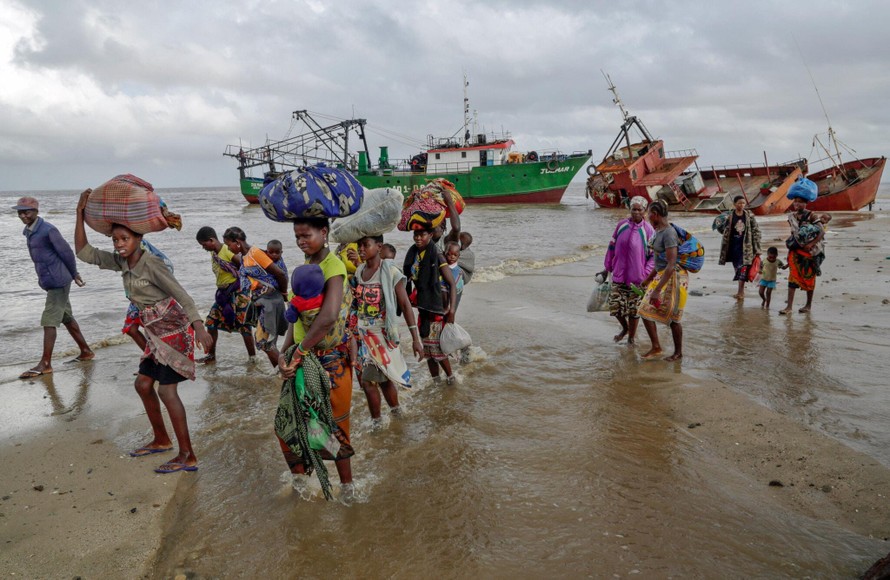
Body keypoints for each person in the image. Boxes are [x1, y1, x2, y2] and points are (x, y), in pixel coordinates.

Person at [74, 189, 212, 473]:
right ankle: (162, 440)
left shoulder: (152, 263)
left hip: (173, 330)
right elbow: (84, 253)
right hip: (153, 331)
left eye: (125, 239)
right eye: (115, 240)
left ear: (139, 239)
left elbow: (182, 295)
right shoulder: (122, 261)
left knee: (168, 392)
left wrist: (199, 327)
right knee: (143, 384)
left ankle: (188, 455)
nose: (119, 244)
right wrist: (79, 214)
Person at [278, 216, 356, 501]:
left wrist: (299, 353)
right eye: (297, 235)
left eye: (306, 235)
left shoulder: (333, 267)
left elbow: (328, 316)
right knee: (292, 423)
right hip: (301, 357)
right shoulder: (304, 266)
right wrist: (284, 354)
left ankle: (347, 487)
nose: (301, 241)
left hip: (329, 360)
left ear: (324, 232)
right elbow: (295, 315)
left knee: (333, 428)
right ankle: (301, 483)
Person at [14, 196, 93, 379]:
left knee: (49, 320)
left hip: (59, 281)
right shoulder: (29, 231)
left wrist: (75, 275)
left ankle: (45, 364)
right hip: (50, 281)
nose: (23, 215)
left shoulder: (48, 230)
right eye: (20, 212)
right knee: (66, 317)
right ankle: (86, 351)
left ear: (36, 211)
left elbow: (66, 253)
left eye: (26, 211)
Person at [349, 235, 424, 424]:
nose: (361, 249)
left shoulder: (391, 271)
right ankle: (397, 413)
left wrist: (416, 339)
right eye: (359, 245)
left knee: (367, 381)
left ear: (379, 246)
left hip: (382, 335)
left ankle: (377, 423)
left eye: (365, 245)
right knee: (383, 379)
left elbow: (405, 305)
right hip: (362, 335)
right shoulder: (359, 271)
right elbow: (357, 304)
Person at [223, 227, 288, 368]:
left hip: (271, 300)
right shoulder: (246, 257)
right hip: (264, 302)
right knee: (268, 343)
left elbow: (280, 274)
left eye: (229, 245)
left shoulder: (255, 253)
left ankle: (287, 374)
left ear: (238, 242)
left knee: (264, 343)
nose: (229, 249)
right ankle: (280, 374)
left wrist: (284, 294)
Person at [404, 227, 458, 384]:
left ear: (430, 235)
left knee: (437, 350)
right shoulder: (413, 254)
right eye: (416, 234)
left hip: (436, 309)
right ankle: (436, 381)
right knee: (427, 350)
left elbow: (452, 285)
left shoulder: (438, 256)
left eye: (422, 234)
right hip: (423, 308)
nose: (418, 238)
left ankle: (451, 378)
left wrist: (452, 310)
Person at [195, 226, 256, 363]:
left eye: (204, 244)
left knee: (244, 326)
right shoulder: (214, 253)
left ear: (211, 240)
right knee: (211, 322)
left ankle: (252, 359)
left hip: (239, 292)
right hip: (224, 295)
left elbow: (244, 267)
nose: (203, 248)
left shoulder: (227, 251)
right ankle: (211, 356)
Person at [601, 196, 655, 345]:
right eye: (634, 209)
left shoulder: (648, 230)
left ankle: (631, 337)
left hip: (637, 278)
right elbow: (611, 247)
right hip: (619, 273)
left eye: (639, 209)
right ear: (629, 209)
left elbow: (653, 256)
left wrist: (645, 275)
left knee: (633, 310)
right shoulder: (621, 225)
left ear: (645, 211)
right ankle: (624, 329)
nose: (636, 212)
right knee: (615, 307)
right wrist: (607, 268)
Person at [639, 200, 687, 361]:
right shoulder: (658, 231)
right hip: (662, 275)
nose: (647, 217)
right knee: (644, 311)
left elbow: (671, 264)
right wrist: (647, 280)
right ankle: (656, 347)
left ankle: (677, 352)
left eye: (649, 214)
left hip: (673, 277)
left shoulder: (668, 233)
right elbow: (659, 261)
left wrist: (657, 290)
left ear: (656, 215)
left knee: (673, 318)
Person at [780, 193, 831, 315]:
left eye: (800, 202)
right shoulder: (792, 216)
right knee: (792, 278)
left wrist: (811, 244)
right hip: (795, 252)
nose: (797, 204)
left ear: (806, 203)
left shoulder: (811, 215)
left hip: (808, 253)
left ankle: (808, 305)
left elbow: (821, 231)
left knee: (809, 278)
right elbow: (794, 234)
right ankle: (789, 307)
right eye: (795, 201)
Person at [122, 239, 175, 352]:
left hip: (148, 295)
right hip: (138, 296)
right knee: (132, 328)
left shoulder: (136, 244)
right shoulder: (124, 243)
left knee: (153, 329)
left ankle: (158, 358)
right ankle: (154, 357)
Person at [718, 195, 761, 300]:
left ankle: (741, 292)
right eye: (739, 203)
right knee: (737, 268)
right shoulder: (729, 216)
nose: (741, 205)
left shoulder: (749, 216)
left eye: (743, 203)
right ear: (734, 204)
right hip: (733, 246)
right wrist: (725, 227)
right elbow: (722, 230)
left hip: (746, 247)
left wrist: (757, 249)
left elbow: (756, 232)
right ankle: (740, 291)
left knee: (742, 268)